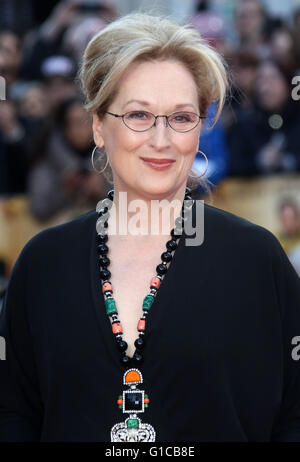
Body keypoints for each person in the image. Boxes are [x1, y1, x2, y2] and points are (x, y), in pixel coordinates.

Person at [0, 12, 300, 443]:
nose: (161, 140)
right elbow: (13, 410)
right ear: (99, 125)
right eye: (139, 115)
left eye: (181, 117)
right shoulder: (44, 264)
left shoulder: (256, 259)